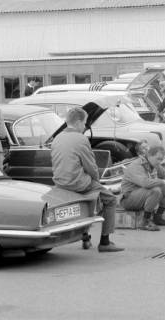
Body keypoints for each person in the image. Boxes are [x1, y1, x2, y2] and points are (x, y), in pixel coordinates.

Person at [51, 107, 124, 252]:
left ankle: (86, 238)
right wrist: (96, 182)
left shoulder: (57, 138)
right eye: (84, 123)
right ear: (78, 122)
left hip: (60, 182)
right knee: (110, 200)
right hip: (77, 182)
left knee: (86, 202)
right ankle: (105, 241)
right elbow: (91, 166)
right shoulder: (81, 139)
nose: (85, 126)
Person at [120, 146, 165, 231]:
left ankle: (158, 217)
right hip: (129, 198)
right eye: (158, 159)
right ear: (149, 156)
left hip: (142, 195)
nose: (160, 162)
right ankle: (145, 222)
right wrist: (163, 182)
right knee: (156, 190)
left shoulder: (154, 164)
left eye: (161, 159)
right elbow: (145, 183)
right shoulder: (136, 165)